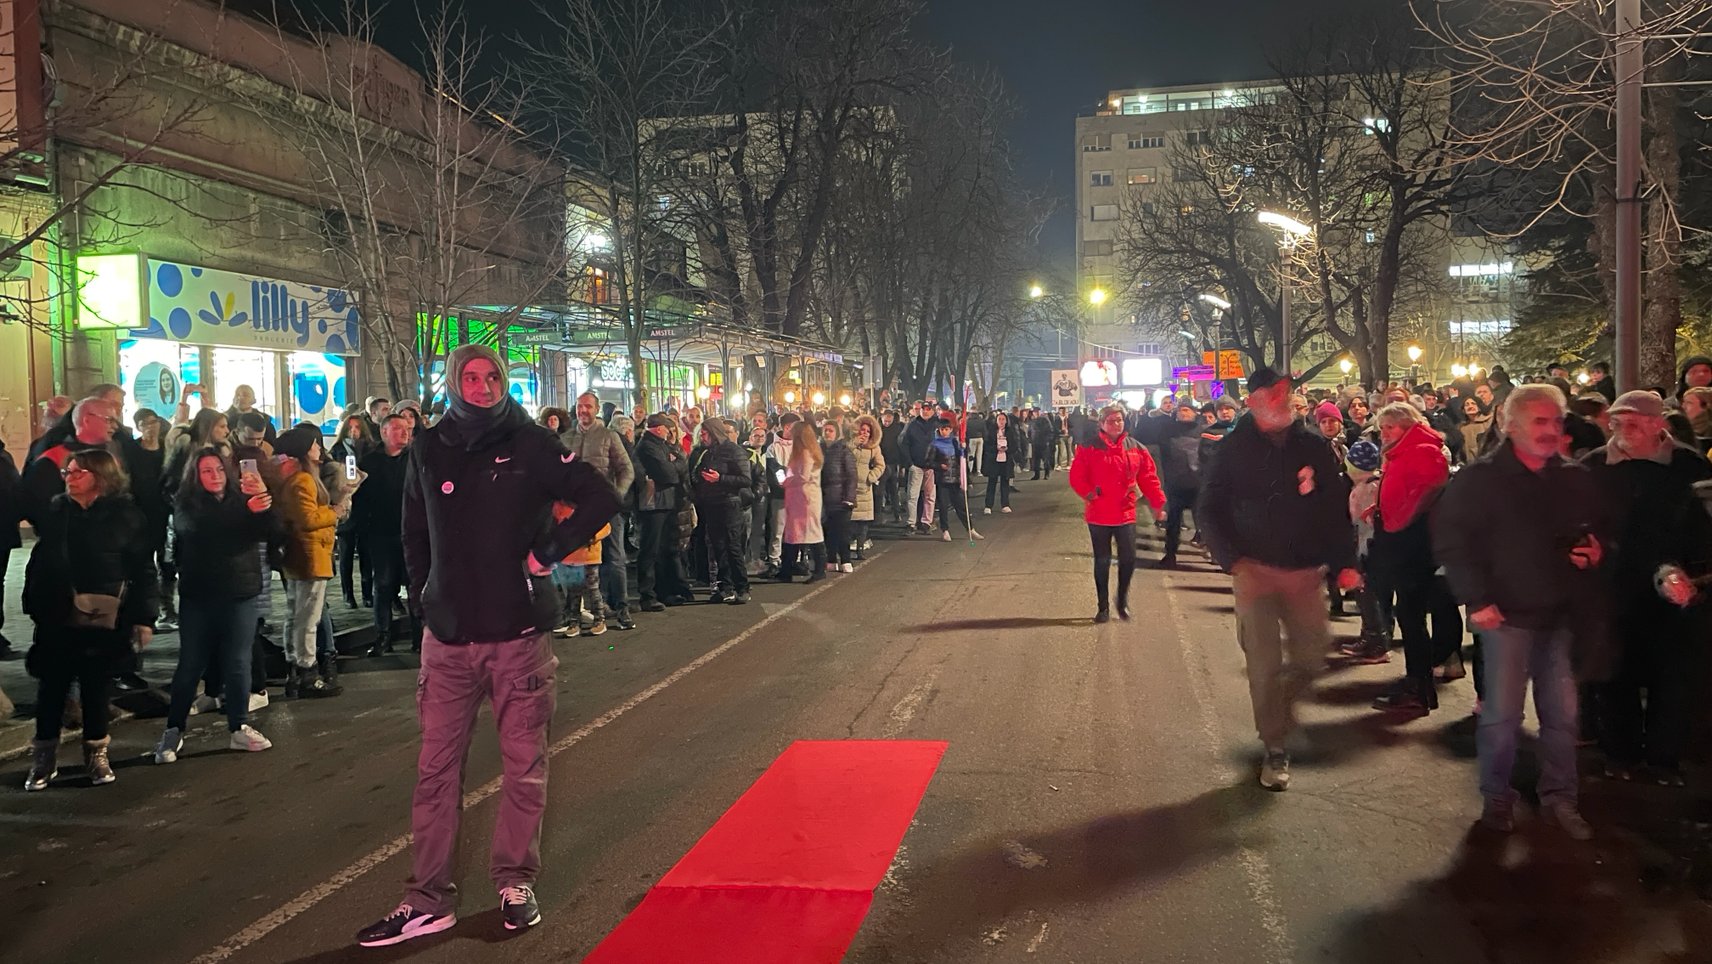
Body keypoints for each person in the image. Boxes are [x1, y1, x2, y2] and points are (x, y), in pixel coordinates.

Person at [356, 344, 618, 946]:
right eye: (469, 377)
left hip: (518, 637)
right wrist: (426, 598)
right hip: (447, 640)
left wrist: (548, 553)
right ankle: (427, 899)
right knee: (434, 774)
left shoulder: (530, 444)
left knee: (523, 769)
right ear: (453, 383)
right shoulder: (428, 446)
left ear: (503, 382)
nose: (479, 386)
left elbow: (602, 495)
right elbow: (413, 531)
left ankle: (515, 882)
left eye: (490, 376)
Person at [1433, 384, 1609, 838]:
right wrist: (1476, 598)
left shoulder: (1573, 478)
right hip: (1506, 616)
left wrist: (1594, 552)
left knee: (1562, 716)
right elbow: (1454, 542)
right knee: (1502, 717)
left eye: (1557, 421)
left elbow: (1596, 534)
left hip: (1559, 616)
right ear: (1510, 426)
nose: (1552, 430)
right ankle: (1497, 798)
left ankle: (1560, 799)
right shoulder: (1479, 480)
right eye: (1540, 421)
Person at [1198, 369, 1361, 791]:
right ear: (1254, 400)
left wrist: (1345, 561)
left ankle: (1279, 714)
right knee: (1264, 664)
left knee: (1311, 657)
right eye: (1274, 394)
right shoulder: (1234, 448)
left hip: (1305, 573)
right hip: (1255, 573)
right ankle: (1275, 746)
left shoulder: (1312, 445)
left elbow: (1334, 507)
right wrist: (1232, 560)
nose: (1283, 400)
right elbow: (1210, 507)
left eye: (1286, 394)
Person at [1582, 391, 1712, 785]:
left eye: (1635, 423)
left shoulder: (1687, 464)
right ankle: (1620, 754)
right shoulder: (1594, 466)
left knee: (1670, 678)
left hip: (1673, 591)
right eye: (1618, 423)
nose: (1624, 431)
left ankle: (1663, 758)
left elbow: (1706, 526)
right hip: (1611, 589)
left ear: (1659, 424)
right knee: (1615, 676)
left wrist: (1695, 575)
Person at [23, 449, 159, 791]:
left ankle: (96, 753)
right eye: (67, 472)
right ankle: (44, 757)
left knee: (96, 688)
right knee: (51, 688)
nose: (68, 477)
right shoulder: (56, 512)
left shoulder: (126, 516)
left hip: (104, 616)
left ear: (100, 477)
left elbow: (143, 570)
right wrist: (34, 601)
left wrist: (144, 618)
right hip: (57, 613)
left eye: (76, 472)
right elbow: (39, 561)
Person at [153, 448, 278, 764]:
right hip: (200, 595)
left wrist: (263, 505)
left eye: (219, 470)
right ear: (195, 476)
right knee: (190, 664)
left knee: (237, 663)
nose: (215, 476)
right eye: (206, 471)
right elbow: (201, 530)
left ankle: (239, 726)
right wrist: (247, 511)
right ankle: (174, 729)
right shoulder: (185, 503)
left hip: (241, 592)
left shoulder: (242, 499)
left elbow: (271, 533)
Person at [1367, 403, 1459, 715]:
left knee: (1411, 613)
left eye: (1389, 428)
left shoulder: (1421, 448)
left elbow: (1430, 487)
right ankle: (1418, 682)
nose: (1384, 434)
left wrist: (1401, 518)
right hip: (1405, 539)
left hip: (1412, 545)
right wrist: (1381, 509)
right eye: (1382, 429)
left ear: (1406, 426)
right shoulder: (1405, 449)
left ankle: (1419, 685)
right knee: (1409, 613)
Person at [1069, 406, 1165, 622]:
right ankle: (1102, 606)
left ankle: (1121, 600)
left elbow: (1149, 477)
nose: (1116, 424)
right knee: (1102, 561)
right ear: (1102, 423)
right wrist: (1090, 493)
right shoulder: (1088, 447)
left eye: (1120, 420)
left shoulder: (1136, 448)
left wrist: (1158, 503)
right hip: (1099, 514)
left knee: (1128, 559)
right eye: (1111, 421)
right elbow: (1077, 476)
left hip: (1125, 512)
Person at [272, 426, 343, 697]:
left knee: (296, 613)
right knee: (308, 616)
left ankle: (294, 667)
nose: (319, 449)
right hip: (310, 555)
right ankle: (307, 671)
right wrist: (334, 512)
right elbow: (307, 519)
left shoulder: (295, 478)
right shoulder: (302, 480)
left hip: (301, 555)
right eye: (314, 444)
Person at [561, 392, 636, 628]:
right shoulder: (565, 438)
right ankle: (576, 613)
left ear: (596, 409)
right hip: (574, 509)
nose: (583, 411)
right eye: (580, 406)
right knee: (572, 561)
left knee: (614, 558)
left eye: (588, 407)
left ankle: (622, 608)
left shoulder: (608, 436)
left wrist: (616, 496)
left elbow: (626, 469)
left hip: (606, 508)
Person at [353, 414, 416, 654]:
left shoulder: (415, 460)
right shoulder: (369, 463)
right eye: (398, 428)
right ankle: (383, 636)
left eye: (407, 428)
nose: (404, 433)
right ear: (384, 432)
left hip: (412, 533)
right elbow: (360, 499)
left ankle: (419, 639)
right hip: (381, 533)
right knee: (383, 584)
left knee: (415, 585)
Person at [691, 418, 754, 602]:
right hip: (712, 504)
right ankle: (725, 586)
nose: (702, 437)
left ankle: (742, 587)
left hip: (729, 503)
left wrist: (720, 478)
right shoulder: (708, 452)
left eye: (704, 433)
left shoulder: (734, 451)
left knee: (733, 546)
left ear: (713, 432)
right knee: (718, 546)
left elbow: (745, 480)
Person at [634, 414, 691, 611]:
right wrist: (673, 464)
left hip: (665, 502)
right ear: (659, 429)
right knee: (650, 549)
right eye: (667, 429)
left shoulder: (659, 445)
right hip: (654, 504)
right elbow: (668, 472)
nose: (669, 434)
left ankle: (664, 591)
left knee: (664, 549)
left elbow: (681, 463)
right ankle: (647, 594)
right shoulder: (648, 446)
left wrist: (673, 464)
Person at [1158, 401, 1205, 569]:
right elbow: (1162, 458)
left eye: (1187, 410)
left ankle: (1214, 552)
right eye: (1181, 411)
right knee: (1173, 523)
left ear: (1194, 412)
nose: (1183, 413)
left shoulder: (1203, 431)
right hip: (1176, 484)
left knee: (1204, 521)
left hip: (1198, 484)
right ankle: (1170, 554)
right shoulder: (1168, 431)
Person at [779, 420, 826, 582]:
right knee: (794, 534)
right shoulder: (803, 451)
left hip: (805, 499)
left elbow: (803, 476)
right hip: (799, 498)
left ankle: (819, 569)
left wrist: (786, 481)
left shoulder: (805, 452)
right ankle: (787, 568)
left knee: (810, 533)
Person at [819, 418, 858, 571]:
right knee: (829, 530)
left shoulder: (844, 450)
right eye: (825, 430)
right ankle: (831, 559)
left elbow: (851, 476)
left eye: (831, 430)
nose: (828, 433)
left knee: (843, 530)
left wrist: (849, 497)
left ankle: (845, 559)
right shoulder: (818, 449)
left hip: (841, 497)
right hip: (824, 497)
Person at [848, 415, 885, 560]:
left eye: (868, 431)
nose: (864, 433)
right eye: (862, 430)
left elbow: (880, 465)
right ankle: (847, 547)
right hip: (850, 487)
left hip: (865, 488)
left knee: (863, 523)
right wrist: (855, 444)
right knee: (849, 521)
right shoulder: (850, 443)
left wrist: (871, 477)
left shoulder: (874, 448)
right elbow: (843, 454)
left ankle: (860, 549)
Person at [902, 402, 938, 534]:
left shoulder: (937, 424)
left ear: (932, 411)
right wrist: (909, 463)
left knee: (930, 495)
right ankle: (911, 522)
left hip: (931, 467)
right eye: (924, 409)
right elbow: (904, 443)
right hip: (916, 465)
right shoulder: (912, 425)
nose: (926, 411)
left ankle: (926, 522)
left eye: (928, 409)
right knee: (913, 495)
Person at [982, 409, 1022, 515]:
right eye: (999, 419)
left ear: (1006, 421)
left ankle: (1005, 505)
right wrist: (996, 448)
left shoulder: (1010, 431)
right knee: (992, 483)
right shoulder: (991, 431)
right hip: (994, 460)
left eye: (1003, 419)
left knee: (1005, 483)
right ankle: (988, 505)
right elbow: (987, 445)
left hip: (1006, 460)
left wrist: (1007, 449)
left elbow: (1015, 445)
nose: (1001, 421)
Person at [1030, 408, 1056, 480]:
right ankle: (1036, 475)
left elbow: (1050, 431)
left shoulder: (1045, 420)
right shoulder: (1032, 421)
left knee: (1045, 460)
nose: (1036, 413)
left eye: (1037, 412)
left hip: (1044, 443)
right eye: (1035, 412)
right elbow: (1030, 431)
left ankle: (1046, 474)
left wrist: (1048, 440)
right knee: (1036, 460)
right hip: (1035, 443)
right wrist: (1031, 440)